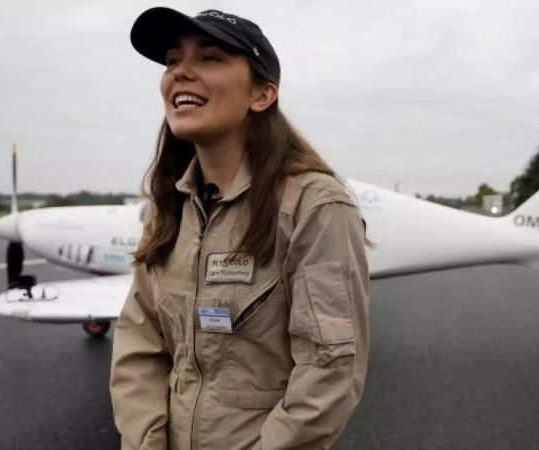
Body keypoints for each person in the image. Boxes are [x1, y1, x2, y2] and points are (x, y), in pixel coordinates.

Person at [109, 7, 370, 450]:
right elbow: (139, 345)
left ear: (263, 95)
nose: (181, 73)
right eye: (173, 60)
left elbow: (328, 370)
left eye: (209, 58)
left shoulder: (314, 205)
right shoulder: (169, 209)